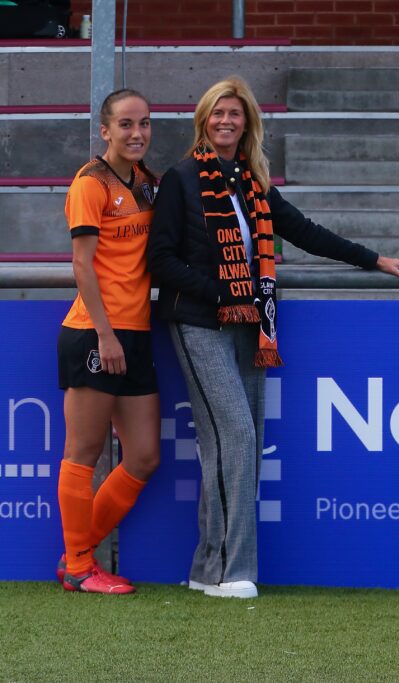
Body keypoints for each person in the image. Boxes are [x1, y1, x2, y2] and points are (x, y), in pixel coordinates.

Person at [147, 76, 399, 599]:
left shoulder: (253, 182)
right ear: (204, 120)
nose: (226, 121)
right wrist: (220, 293)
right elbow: (161, 260)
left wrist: (372, 258)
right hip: (199, 323)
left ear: (248, 123)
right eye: (218, 113)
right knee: (237, 438)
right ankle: (232, 571)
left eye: (236, 114)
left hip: (252, 324)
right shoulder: (180, 179)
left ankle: (207, 568)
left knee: (226, 447)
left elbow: (306, 231)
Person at [57, 89, 161, 594]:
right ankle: (80, 566)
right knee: (83, 451)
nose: (136, 133)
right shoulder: (90, 182)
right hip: (94, 332)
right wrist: (105, 333)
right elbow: (81, 263)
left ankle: (75, 553)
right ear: (105, 130)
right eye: (125, 124)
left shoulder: (147, 183)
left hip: (136, 333)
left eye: (143, 123)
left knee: (143, 456)